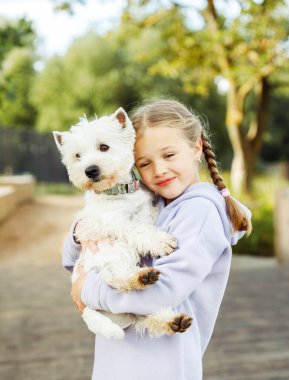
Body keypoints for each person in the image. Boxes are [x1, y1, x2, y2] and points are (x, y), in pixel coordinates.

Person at [63, 99, 252, 380]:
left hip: (162, 367)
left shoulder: (199, 211)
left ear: (197, 147)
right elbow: (69, 258)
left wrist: (86, 290)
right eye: (145, 163)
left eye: (169, 155)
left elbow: (163, 291)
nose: (159, 170)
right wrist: (79, 231)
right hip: (117, 362)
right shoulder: (157, 203)